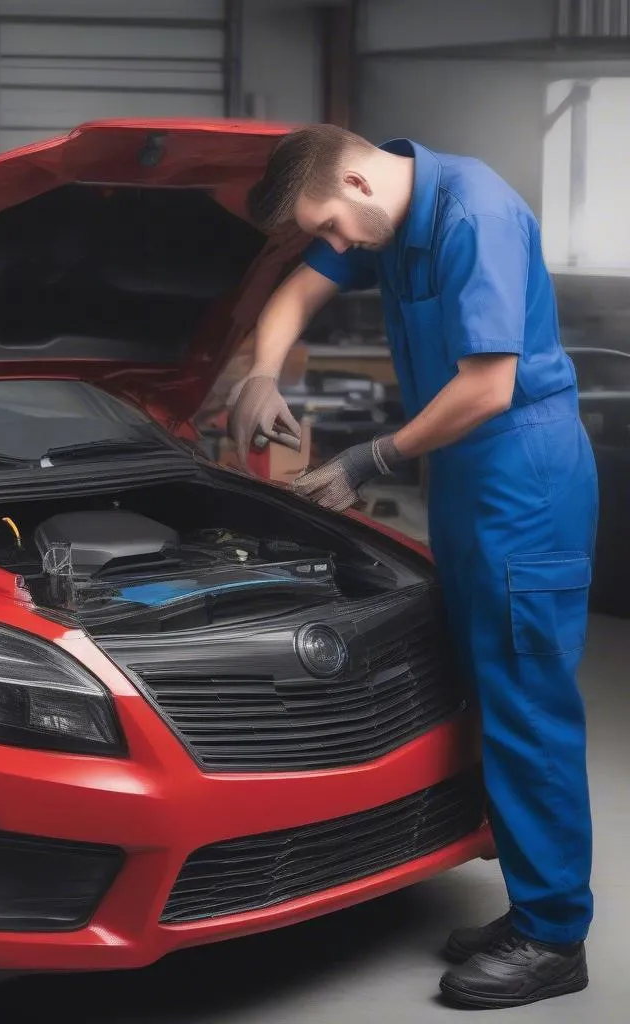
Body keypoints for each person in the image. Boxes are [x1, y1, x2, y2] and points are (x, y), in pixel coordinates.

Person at [230, 125, 598, 1010]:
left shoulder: (475, 214)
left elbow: (488, 386)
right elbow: (297, 292)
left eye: (334, 224)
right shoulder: (381, 214)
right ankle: (532, 906)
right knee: (478, 683)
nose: (341, 246)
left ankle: (555, 937)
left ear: (357, 178)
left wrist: (369, 462)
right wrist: (260, 372)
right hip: (469, 476)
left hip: (524, 474)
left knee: (527, 702)